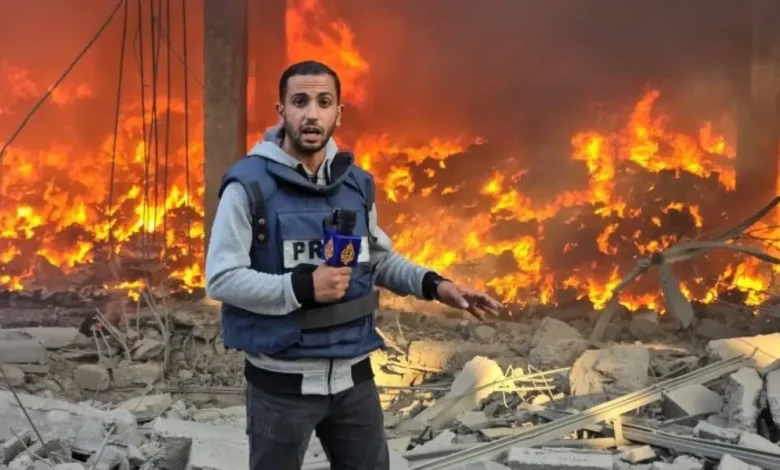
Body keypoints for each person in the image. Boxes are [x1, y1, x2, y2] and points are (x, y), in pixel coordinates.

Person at [205, 60, 504, 470]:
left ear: (339, 113)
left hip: (354, 380)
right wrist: (301, 288)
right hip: (281, 385)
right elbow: (221, 278)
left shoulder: (355, 185)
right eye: (300, 101)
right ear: (281, 111)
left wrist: (437, 285)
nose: (312, 113)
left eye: (324, 102)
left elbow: (376, 259)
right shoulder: (248, 186)